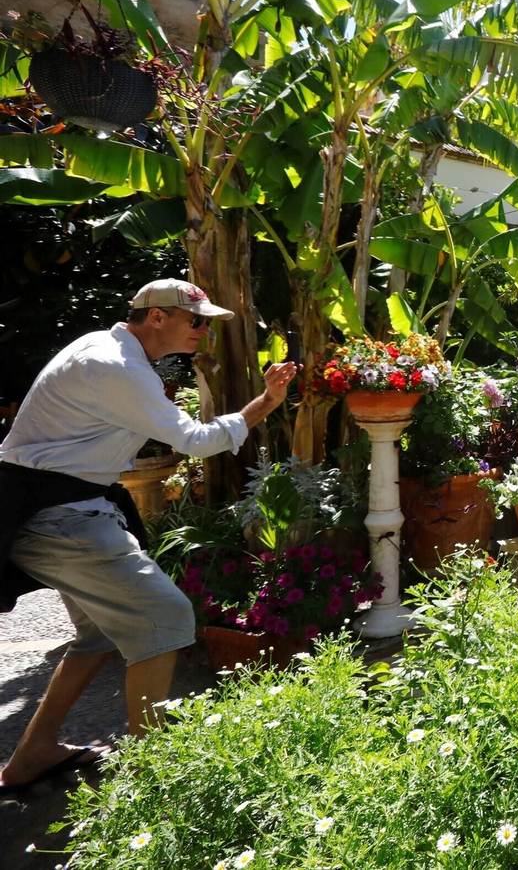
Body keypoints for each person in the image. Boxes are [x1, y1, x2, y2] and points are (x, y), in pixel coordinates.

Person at [0, 279, 298, 793]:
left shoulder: (107, 349)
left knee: (99, 634)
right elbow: (196, 441)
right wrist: (267, 402)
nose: (203, 331)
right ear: (157, 317)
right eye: (195, 320)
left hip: (58, 508)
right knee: (167, 616)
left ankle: (34, 755)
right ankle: (152, 784)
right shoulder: (116, 366)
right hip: (61, 515)